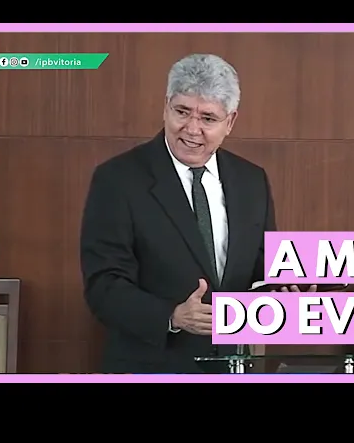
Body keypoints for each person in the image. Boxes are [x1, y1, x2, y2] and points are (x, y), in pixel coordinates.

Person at [80, 54, 315, 374]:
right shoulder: (118, 179)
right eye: (182, 112)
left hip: (234, 366)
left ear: (230, 122)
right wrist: (172, 316)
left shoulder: (251, 180)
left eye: (208, 118)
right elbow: (103, 284)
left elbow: (261, 267)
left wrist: (284, 288)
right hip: (150, 366)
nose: (192, 129)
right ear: (165, 107)